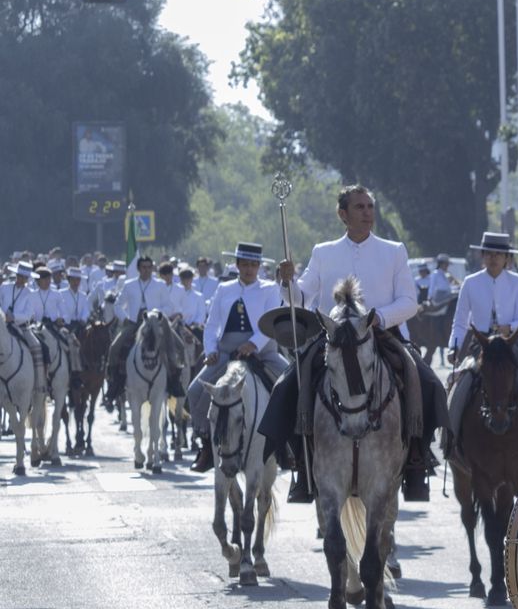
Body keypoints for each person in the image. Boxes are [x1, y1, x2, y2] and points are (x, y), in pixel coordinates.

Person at [262, 184, 441, 503]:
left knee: (427, 383)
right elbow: (301, 299)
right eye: (359, 207)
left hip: (383, 335)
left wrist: (378, 318)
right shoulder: (323, 251)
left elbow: (409, 302)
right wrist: (287, 281)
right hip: (334, 338)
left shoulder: (394, 250)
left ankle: (416, 461)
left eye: (370, 206)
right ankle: (302, 466)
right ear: (343, 215)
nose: (367, 213)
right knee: (287, 386)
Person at [188, 242, 293, 473]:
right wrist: (211, 350)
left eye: (253, 265)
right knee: (194, 391)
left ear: (259, 267)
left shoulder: (270, 289)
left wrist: (253, 344)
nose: (249, 269)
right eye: (244, 264)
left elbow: (271, 323)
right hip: (226, 353)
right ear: (237, 265)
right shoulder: (224, 289)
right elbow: (212, 323)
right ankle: (206, 446)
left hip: (263, 351)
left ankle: (287, 446)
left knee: (292, 385)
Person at [443, 232, 518, 458]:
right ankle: (450, 439)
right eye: (489, 253)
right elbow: (459, 322)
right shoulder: (470, 283)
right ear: (482, 256)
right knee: (461, 386)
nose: (493, 258)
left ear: (507, 258)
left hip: (512, 345)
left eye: (498, 254)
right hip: (481, 347)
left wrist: (513, 325)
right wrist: (454, 347)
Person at [103, 256, 174, 404]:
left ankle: (175, 383)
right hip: (134, 322)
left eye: (149, 267)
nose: (146, 270)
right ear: (139, 269)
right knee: (114, 347)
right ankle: (114, 384)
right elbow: (118, 305)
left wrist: (157, 314)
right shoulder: (129, 285)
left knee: (176, 345)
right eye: (143, 267)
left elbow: (169, 306)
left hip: (155, 323)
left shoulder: (160, 285)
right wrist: (125, 318)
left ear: (152, 268)